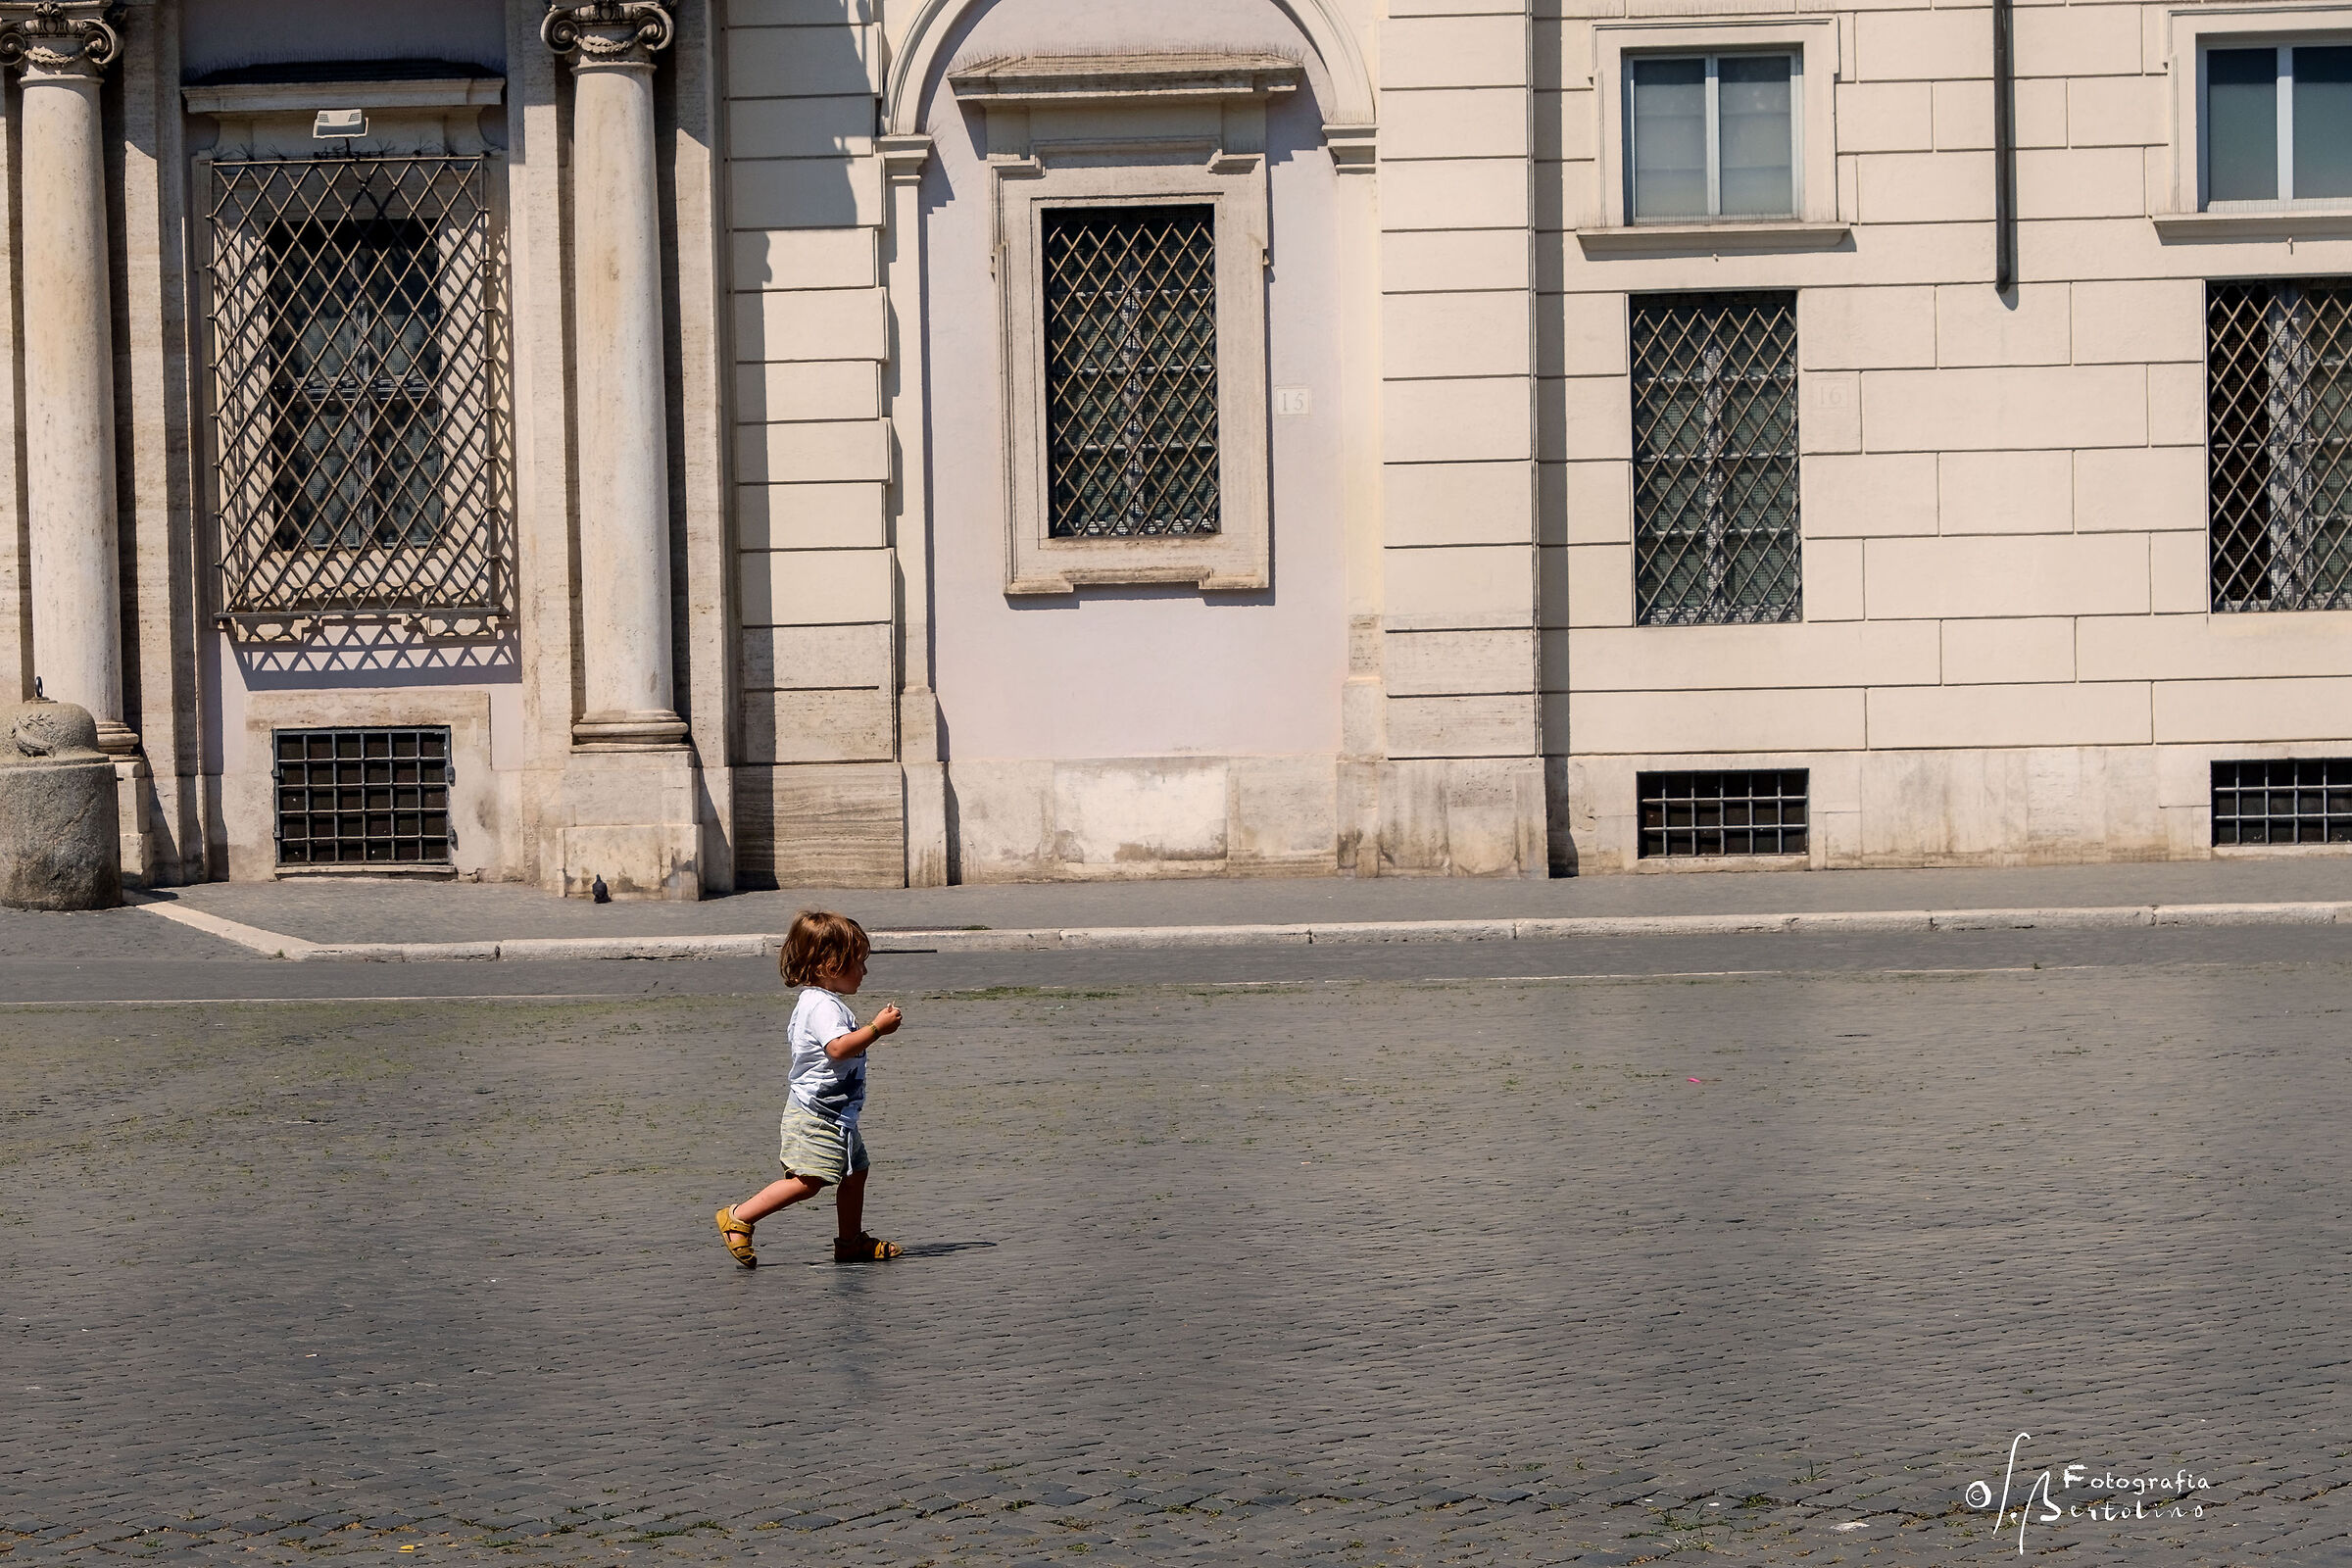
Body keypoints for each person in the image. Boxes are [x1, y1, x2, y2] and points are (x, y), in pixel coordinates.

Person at [715, 909, 904, 1267]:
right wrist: (877, 1029)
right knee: (808, 1180)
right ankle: (739, 1217)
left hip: (838, 1115)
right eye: (858, 964)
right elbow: (837, 1048)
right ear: (829, 966)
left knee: (855, 1171)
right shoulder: (820, 1006)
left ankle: (850, 1242)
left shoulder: (824, 1002)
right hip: (815, 1114)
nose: (864, 972)